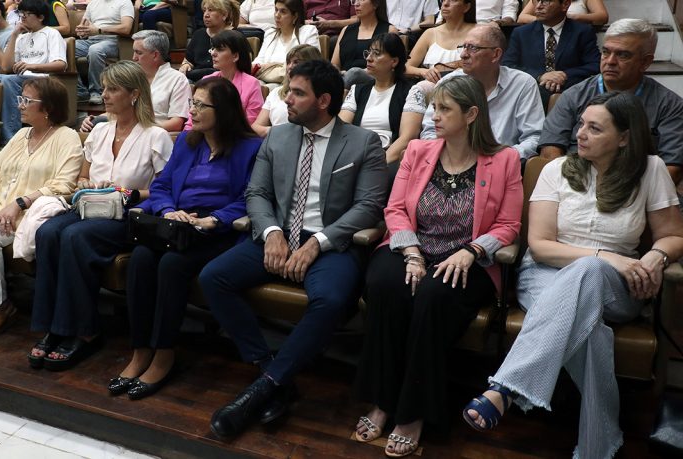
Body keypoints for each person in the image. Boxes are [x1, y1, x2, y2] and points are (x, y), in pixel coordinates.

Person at [463, 91, 683, 459]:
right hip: (544, 275)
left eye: (595, 128)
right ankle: (599, 444)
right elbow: (540, 245)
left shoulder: (650, 170)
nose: (580, 133)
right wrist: (605, 256)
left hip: (618, 288)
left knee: (591, 271)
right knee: (591, 330)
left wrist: (656, 256)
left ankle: (508, 385)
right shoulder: (556, 169)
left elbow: (673, 235)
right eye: (581, 124)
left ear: (624, 137)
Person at [199, 59, 389, 439]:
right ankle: (270, 369)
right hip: (279, 235)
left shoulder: (363, 142)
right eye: (288, 90)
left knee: (331, 300)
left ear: (324, 100)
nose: (286, 99)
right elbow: (257, 192)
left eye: (297, 93)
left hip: (331, 243)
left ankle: (263, 388)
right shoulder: (278, 137)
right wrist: (271, 231)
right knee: (213, 277)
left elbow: (369, 206)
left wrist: (318, 242)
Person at [354, 75, 522, 458]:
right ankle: (382, 400)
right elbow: (395, 209)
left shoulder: (505, 159)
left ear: (472, 114)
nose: (435, 116)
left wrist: (473, 251)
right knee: (386, 286)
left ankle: (413, 412)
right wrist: (411, 253)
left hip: (467, 259)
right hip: (411, 246)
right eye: (434, 107)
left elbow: (509, 225)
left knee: (432, 295)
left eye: (445, 109)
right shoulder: (418, 150)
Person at [111, 77, 262, 400]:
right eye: (192, 103)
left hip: (217, 230)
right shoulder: (187, 142)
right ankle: (140, 349)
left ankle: (164, 353)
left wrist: (213, 219)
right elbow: (162, 185)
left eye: (200, 105)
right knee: (140, 259)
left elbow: (251, 198)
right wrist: (168, 211)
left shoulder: (250, 148)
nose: (192, 110)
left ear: (223, 110)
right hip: (178, 224)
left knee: (172, 264)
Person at [28, 61, 172, 371]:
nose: (104, 95)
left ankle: (84, 330)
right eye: (104, 88)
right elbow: (83, 175)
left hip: (128, 215)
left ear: (134, 94)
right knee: (47, 232)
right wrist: (85, 183)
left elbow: (164, 191)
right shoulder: (100, 131)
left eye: (113, 89)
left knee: (74, 236)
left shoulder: (156, 136)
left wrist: (128, 192)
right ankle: (53, 326)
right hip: (91, 207)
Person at [0, 78, 82, 339]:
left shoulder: (67, 137)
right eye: (21, 99)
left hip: (34, 214)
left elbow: (64, 185)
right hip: (1, 210)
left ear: (48, 108)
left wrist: (21, 203)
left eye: (26, 100)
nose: (19, 105)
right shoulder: (21, 135)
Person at [539, 18, 683, 186]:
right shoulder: (573, 95)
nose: (610, 61)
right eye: (606, 52)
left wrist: (621, 195)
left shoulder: (669, 105)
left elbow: (672, 168)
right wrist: (575, 190)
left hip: (639, 191)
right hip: (576, 185)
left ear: (645, 62)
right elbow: (550, 152)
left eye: (623, 55)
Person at [402, 24, 544, 160]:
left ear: (495, 54)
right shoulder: (448, 83)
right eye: (463, 47)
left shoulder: (522, 84)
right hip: (451, 163)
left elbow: (533, 137)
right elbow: (430, 132)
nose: (463, 55)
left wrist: (500, 159)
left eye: (473, 48)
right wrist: (451, 159)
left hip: (502, 166)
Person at [0, 0, 67, 145]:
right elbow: (6, 67)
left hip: (42, 78)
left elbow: (61, 64)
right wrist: (14, 35)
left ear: (40, 17)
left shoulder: (52, 33)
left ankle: (11, 137)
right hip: (19, 77)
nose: (23, 18)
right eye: (21, 14)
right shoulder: (21, 37)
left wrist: (32, 66)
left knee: (9, 80)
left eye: (27, 14)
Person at [81, 30, 191, 133]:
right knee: (93, 125)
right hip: (124, 130)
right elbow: (117, 112)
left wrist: (138, 128)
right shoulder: (130, 77)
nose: (134, 58)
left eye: (139, 53)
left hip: (154, 135)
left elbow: (176, 124)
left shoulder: (177, 79)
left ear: (155, 55)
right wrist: (95, 119)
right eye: (134, 52)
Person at [502, 0, 600, 108]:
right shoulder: (521, 33)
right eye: (536, 1)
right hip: (531, 95)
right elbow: (508, 65)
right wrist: (540, 76)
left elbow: (595, 65)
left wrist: (564, 75)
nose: (538, 6)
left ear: (565, 4)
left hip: (570, 94)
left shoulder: (583, 32)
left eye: (546, 1)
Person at [340, 33, 412, 164]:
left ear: (394, 61)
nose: (369, 58)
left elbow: (406, 138)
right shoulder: (357, 90)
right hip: (355, 156)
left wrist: (377, 165)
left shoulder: (410, 92)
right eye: (369, 53)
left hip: (387, 159)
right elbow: (341, 129)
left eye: (377, 54)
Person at [183, 30, 263, 127]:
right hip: (201, 134)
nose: (213, 53)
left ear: (235, 56)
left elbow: (250, 125)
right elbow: (190, 123)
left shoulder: (251, 84)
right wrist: (186, 134)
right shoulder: (207, 80)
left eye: (220, 49)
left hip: (235, 135)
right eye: (213, 48)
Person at [251, 43, 322, 136]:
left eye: (296, 62)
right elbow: (256, 127)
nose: (290, 66)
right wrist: (279, 132)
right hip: (276, 141)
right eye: (288, 62)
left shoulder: (318, 94)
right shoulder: (276, 92)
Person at [74, 0, 134, 105]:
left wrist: (100, 30)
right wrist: (82, 30)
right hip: (90, 40)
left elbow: (126, 28)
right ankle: (81, 91)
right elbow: (84, 24)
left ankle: (96, 91)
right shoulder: (93, 3)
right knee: (65, 47)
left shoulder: (125, 2)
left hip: (113, 40)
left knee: (95, 50)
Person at [404, 0, 475, 83]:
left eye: (453, 0)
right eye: (443, 0)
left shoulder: (478, 32)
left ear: (466, 7)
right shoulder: (430, 33)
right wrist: (424, 72)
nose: (445, 4)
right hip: (433, 87)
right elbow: (406, 68)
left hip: (468, 86)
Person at [252, 0, 319, 84]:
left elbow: (310, 65)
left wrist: (269, 66)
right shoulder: (270, 33)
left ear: (295, 16)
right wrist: (280, 67)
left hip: (295, 84)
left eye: (283, 12)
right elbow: (257, 64)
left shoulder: (308, 32)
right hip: (265, 83)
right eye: (276, 10)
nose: (277, 15)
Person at [331, 0, 394, 88]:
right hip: (345, 79)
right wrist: (339, 72)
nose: (356, 4)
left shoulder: (389, 30)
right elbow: (334, 64)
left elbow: (390, 65)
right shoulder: (346, 30)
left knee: (355, 73)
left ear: (375, 4)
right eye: (355, 0)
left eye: (362, 0)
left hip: (374, 81)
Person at [179, 0, 240, 82]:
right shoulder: (198, 34)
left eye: (211, 10)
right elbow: (188, 60)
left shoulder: (235, 36)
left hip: (224, 81)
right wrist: (185, 65)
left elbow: (242, 66)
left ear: (224, 15)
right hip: (196, 80)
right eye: (204, 10)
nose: (206, 15)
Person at [518, 0, 607, 26]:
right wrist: (546, 20)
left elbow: (602, 16)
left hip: (574, 36)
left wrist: (576, 17)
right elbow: (522, 17)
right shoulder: (541, 1)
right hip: (544, 33)